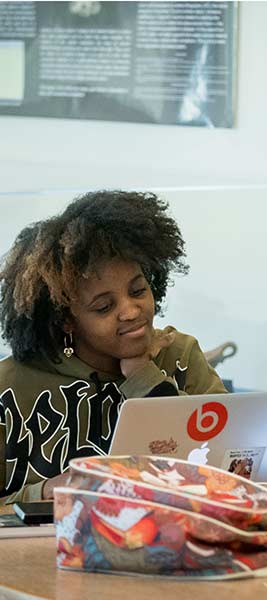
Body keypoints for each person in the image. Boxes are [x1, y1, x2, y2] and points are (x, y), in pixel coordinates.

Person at [0, 190, 226, 504]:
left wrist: (143, 375)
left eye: (138, 290)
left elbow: (231, 469)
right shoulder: (9, 386)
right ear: (67, 320)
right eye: (104, 307)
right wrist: (45, 492)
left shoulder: (180, 355)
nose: (132, 311)